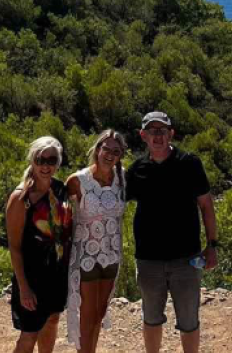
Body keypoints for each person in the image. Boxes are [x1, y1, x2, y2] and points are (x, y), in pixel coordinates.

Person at [125, 111, 218, 353]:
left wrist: (212, 245)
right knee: (151, 318)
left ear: (171, 134)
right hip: (148, 259)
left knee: (188, 320)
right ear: (143, 135)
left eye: (162, 130)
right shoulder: (136, 170)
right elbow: (113, 203)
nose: (158, 136)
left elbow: (206, 204)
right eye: (152, 131)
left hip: (186, 259)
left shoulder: (189, 164)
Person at [65, 130, 129, 352]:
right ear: (98, 149)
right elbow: (57, 211)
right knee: (88, 316)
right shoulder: (77, 181)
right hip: (86, 256)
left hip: (111, 255)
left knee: (99, 315)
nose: (110, 155)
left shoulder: (122, 179)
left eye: (116, 151)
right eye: (106, 149)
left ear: (120, 155)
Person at [5, 136, 70, 353]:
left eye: (51, 160)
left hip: (57, 273)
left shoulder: (61, 190)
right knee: (29, 332)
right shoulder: (21, 198)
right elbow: (14, 246)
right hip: (32, 276)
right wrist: (23, 288)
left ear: (57, 163)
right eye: (40, 159)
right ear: (32, 160)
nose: (45, 165)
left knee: (52, 321)